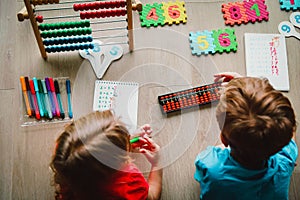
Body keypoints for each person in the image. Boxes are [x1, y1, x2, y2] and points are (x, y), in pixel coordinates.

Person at [194, 73, 298, 200]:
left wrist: (244, 86)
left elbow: (200, 174)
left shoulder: (211, 165)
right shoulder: (286, 159)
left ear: (223, 139)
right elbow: (290, 127)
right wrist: (249, 88)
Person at [50, 110, 162, 200]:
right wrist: (157, 164)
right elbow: (152, 196)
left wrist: (121, 144)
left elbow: (90, 153)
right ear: (114, 165)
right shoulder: (129, 183)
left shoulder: (67, 161)